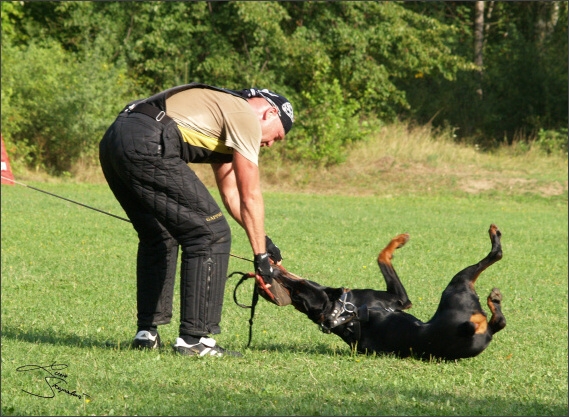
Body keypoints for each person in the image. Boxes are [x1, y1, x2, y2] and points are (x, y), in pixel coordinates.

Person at [99, 83, 294, 357]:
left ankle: (147, 333)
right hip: (148, 140)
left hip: (115, 140)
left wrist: (262, 241)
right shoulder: (245, 116)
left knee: (160, 233)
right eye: (278, 135)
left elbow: (232, 194)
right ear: (269, 114)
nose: (271, 143)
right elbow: (250, 194)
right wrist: (260, 258)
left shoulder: (225, 113)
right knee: (211, 234)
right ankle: (195, 341)